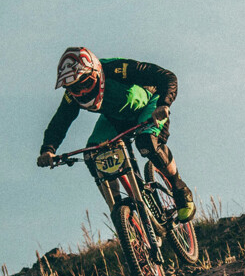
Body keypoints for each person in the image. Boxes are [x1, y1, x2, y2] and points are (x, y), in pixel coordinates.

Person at [37, 47, 195, 222]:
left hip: (150, 105)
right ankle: (123, 218)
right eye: (74, 89)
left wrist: (164, 104)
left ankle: (180, 189)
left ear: (96, 73)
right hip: (116, 118)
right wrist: (48, 150)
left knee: (146, 143)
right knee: (92, 155)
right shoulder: (72, 97)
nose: (82, 92)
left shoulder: (116, 69)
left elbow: (167, 77)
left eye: (86, 84)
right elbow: (60, 121)